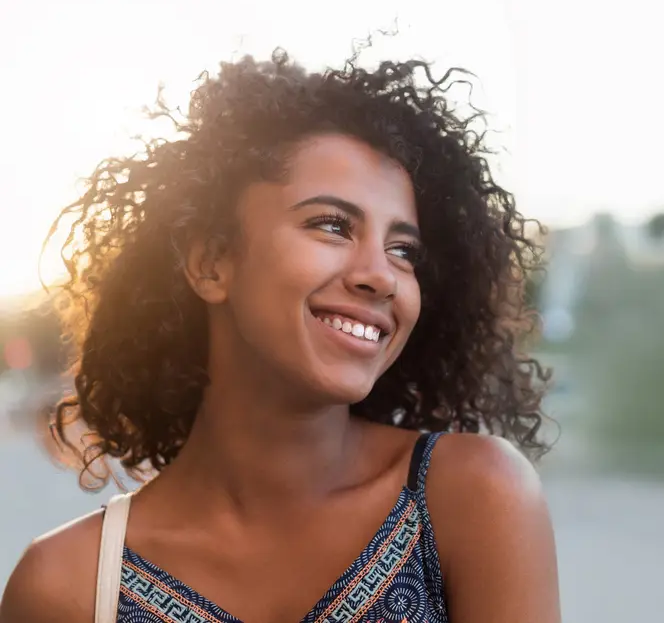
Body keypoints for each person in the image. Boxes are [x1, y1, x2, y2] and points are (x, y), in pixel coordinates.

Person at [0, 46, 560, 623]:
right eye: (332, 225)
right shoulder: (66, 587)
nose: (380, 276)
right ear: (213, 263)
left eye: (403, 250)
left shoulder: (473, 497)